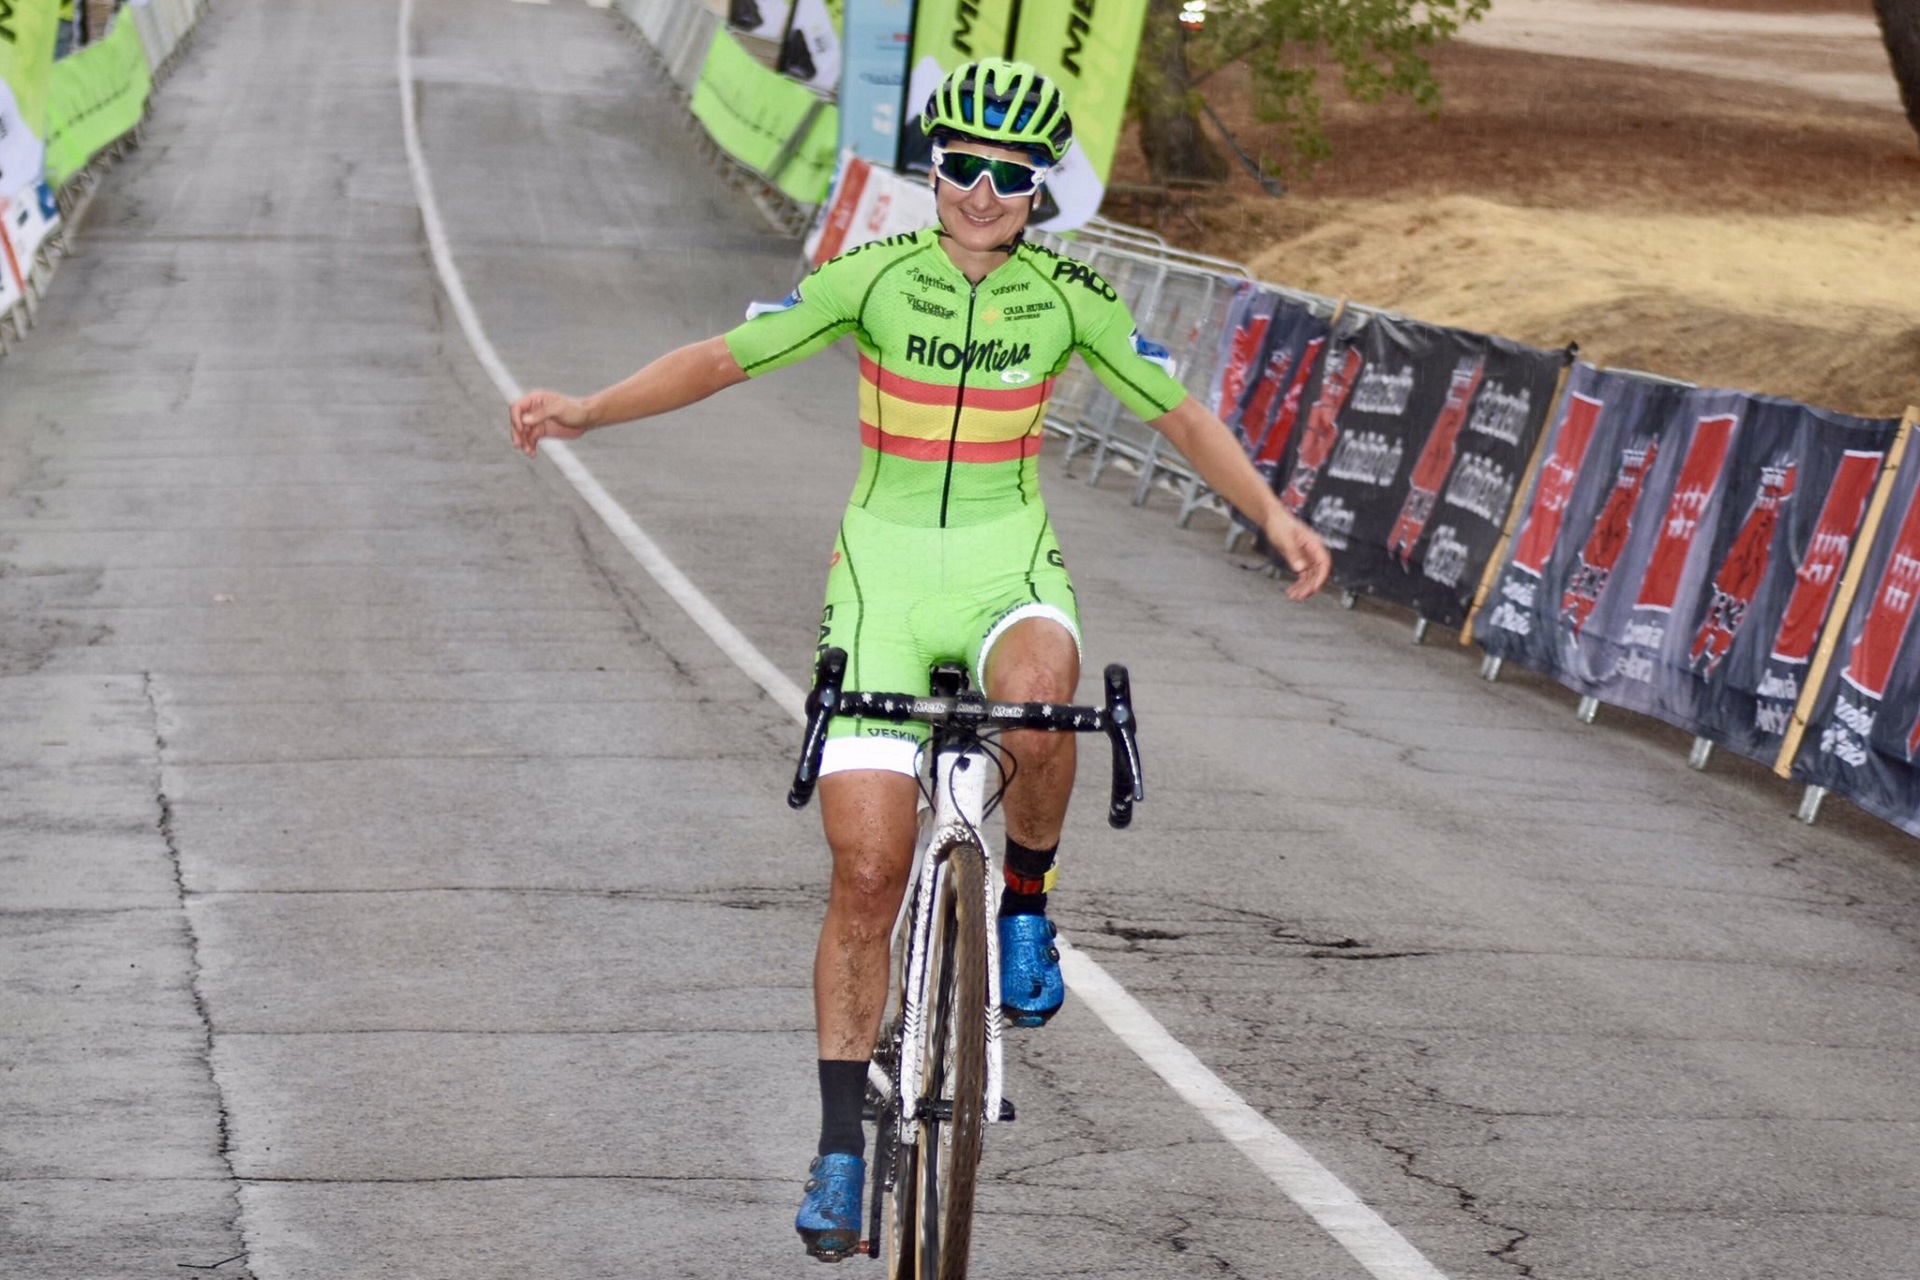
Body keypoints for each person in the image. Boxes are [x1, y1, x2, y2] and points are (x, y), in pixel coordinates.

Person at [508, 58, 1332, 1262]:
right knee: (866, 873)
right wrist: (589, 408)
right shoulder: (874, 276)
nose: (983, 192)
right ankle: (840, 1145)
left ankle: (1026, 904)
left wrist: (1270, 513)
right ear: (932, 166)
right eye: (963, 165)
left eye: (1011, 174)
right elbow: (726, 358)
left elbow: (1180, 416)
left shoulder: (1071, 297)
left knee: (1044, 699)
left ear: (1042, 187)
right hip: (882, 584)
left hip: (1008, 568)